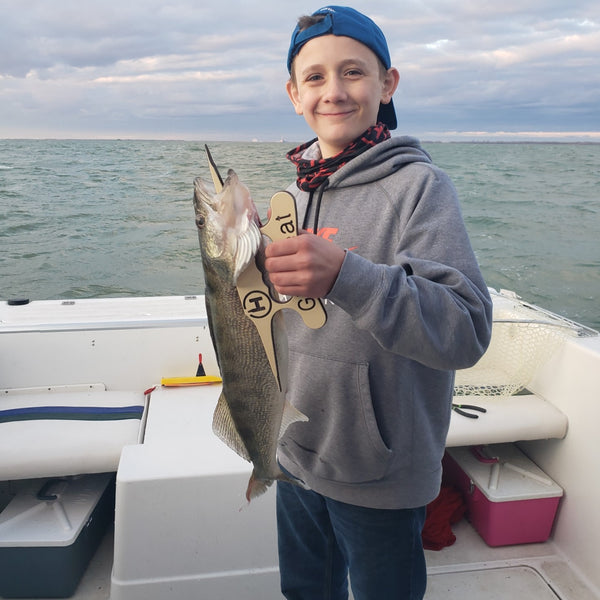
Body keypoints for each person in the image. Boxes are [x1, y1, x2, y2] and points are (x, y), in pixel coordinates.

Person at [264, 6, 493, 599]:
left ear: (387, 83)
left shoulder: (420, 187)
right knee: (304, 590)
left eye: (353, 72)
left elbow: (465, 330)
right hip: (295, 449)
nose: (333, 91)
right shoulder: (287, 197)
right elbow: (273, 322)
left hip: (381, 471)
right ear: (293, 94)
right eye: (313, 77)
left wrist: (347, 276)